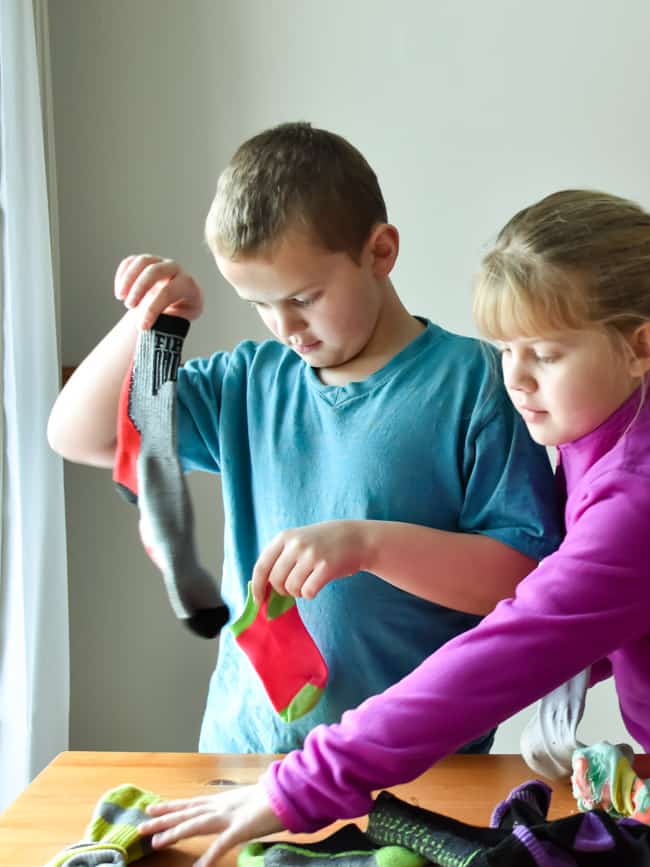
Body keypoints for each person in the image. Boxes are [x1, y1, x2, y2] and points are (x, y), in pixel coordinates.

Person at [139, 189, 650, 867]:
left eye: (547, 353)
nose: (516, 378)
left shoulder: (647, 494)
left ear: (641, 348)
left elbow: (505, 650)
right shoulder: (608, 434)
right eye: (505, 350)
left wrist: (302, 784)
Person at [46, 122, 562, 756]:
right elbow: (82, 434)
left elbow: (524, 580)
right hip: (243, 760)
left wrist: (368, 543)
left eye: (305, 297)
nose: (286, 326)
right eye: (260, 304)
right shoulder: (249, 382)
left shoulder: (475, 385)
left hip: (416, 770)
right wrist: (151, 325)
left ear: (380, 252)